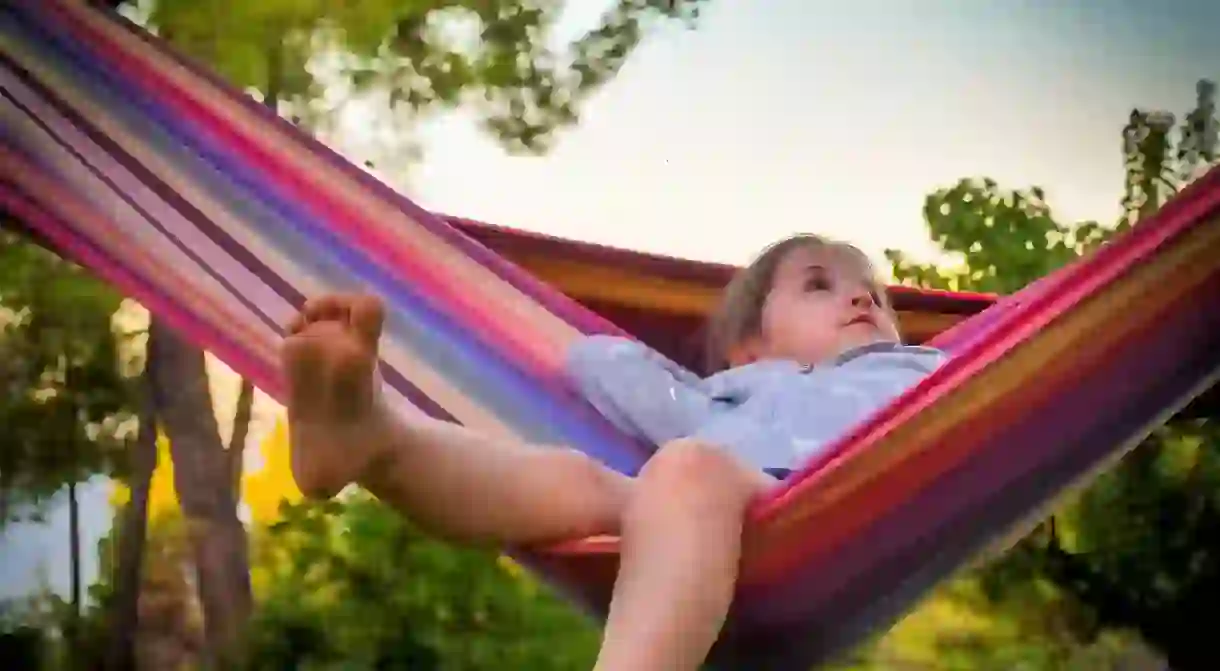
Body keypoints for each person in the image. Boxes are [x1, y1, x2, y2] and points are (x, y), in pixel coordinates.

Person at [282, 233, 946, 671]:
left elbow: (979, 414)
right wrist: (580, 338)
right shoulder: (724, 395)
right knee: (585, 479)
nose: (860, 296)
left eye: (875, 293)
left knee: (684, 466)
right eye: (819, 284)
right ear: (749, 344)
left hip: (837, 507)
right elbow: (602, 368)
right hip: (695, 520)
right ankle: (375, 436)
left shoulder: (921, 368)